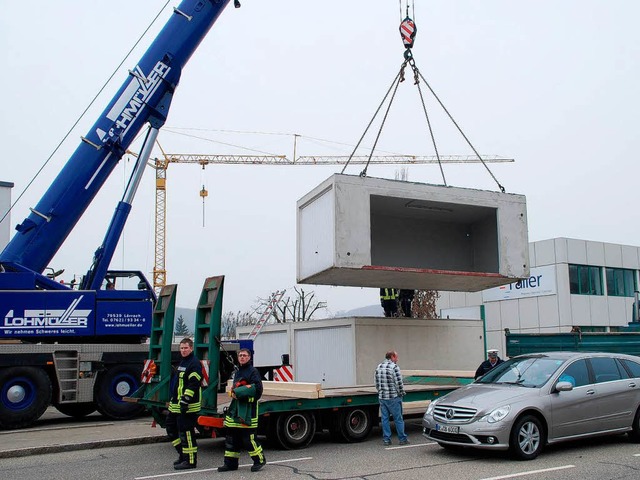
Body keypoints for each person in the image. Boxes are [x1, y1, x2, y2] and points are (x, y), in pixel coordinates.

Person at [218, 348, 266, 472]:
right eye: (240, 355)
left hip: (248, 411)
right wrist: (233, 392)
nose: (242, 357)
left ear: (249, 357)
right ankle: (230, 464)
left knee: (248, 439)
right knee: (231, 439)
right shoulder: (238, 372)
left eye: (244, 355)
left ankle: (259, 460)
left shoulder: (253, 372)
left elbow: (258, 391)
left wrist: (240, 393)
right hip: (235, 411)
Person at [166, 338, 202, 470]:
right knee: (170, 428)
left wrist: (186, 399)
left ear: (191, 348)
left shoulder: (194, 363)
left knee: (187, 433)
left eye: (186, 348)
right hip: (176, 403)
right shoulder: (183, 362)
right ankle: (182, 454)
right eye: (181, 348)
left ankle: (190, 461)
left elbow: (194, 383)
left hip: (187, 405)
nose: (183, 350)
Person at [374, 350, 408, 446]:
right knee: (398, 419)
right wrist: (401, 393)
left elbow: (376, 383)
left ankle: (386, 440)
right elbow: (399, 383)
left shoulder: (379, 367)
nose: (397, 359)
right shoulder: (394, 367)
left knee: (385, 419)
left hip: (382, 397)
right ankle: (402, 439)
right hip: (393, 397)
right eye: (396, 357)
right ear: (392, 357)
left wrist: (380, 392)